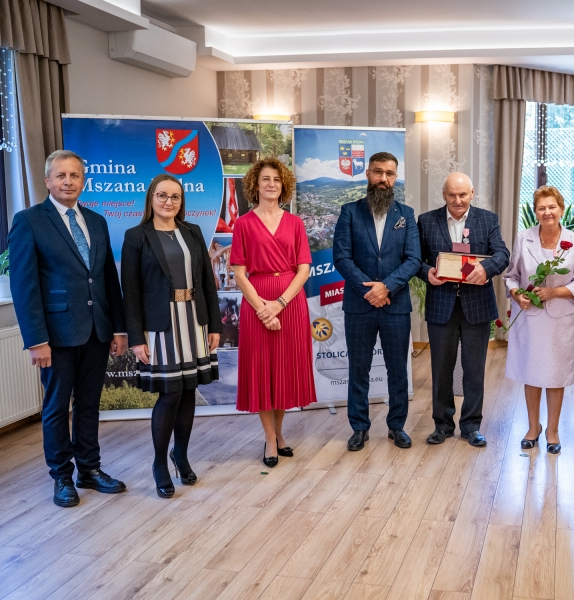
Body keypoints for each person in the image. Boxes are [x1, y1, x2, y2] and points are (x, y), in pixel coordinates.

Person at [8, 150, 128, 507]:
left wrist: (119, 329)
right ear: (47, 180)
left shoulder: (97, 221)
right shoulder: (29, 221)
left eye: (74, 175)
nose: (68, 181)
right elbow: (24, 286)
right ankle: (61, 476)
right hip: (55, 336)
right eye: (60, 175)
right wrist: (36, 340)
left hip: (97, 331)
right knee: (57, 408)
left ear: (83, 181)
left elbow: (107, 280)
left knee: (89, 405)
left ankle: (89, 469)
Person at [121, 175, 222, 498]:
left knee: (188, 389)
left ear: (182, 201)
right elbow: (130, 292)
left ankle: (181, 455)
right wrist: (136, 337)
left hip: (194, 319)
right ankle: (159, 463)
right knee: (170, 394)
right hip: (160, 325)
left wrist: (215, 325)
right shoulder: (136, 236)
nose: (169, 202)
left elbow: (208, 282)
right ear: (151, 198)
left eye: (175, 197)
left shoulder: (193, 232)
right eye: (162, 195)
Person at [231, 158, 317, 467]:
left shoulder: (295, 223)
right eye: (266, 179)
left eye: (277, 180)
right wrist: (262, 309)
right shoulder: (243, 223)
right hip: (257, 300)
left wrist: (278, 304)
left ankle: (280, 434)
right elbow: (239, 273)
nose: (271, 184)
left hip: (290, 302)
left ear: (284, 186)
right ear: (256, 184)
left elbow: (304, 269)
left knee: (283, 371)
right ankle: (269, 439)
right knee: (262, 372)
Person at [333, 151, 421, 451]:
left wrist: (387, 288)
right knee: (359, 369)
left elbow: (413, 259)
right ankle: (359, 428)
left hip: (396, 306)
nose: (383, 178)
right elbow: (341, 257)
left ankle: (397, 426)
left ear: (395, 177)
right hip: (359, 306)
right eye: (378, 172)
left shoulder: (406, 215)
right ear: (368, 174)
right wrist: (369, 291)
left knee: (398, 370)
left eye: (389, 173)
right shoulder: (349, 211)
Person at [416, 172, 509, 447]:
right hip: (441, 305)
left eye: (463, 194)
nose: (458, 200)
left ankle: (471, 426)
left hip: (476, 305)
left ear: (472, 193)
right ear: (444, 195)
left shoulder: (488, 219)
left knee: (474, 369)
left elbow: (502, 254)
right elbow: (414, 259)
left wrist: (486, 268)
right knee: (441, 369)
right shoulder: (426, 221)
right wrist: (426, 272)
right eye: (452, 195)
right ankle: (442, 425)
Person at [504, 186, 574, 454]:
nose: (547, 212)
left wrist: (554, 292)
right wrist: (517, 295)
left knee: (555, 375)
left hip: (559, 318)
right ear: (535, 212)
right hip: (529, 317)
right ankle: (533, 428)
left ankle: (552, 430)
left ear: (561, 209)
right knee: (530, 372)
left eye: (552, 206)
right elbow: (511, 276)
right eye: (541, 208)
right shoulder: (523, 238)